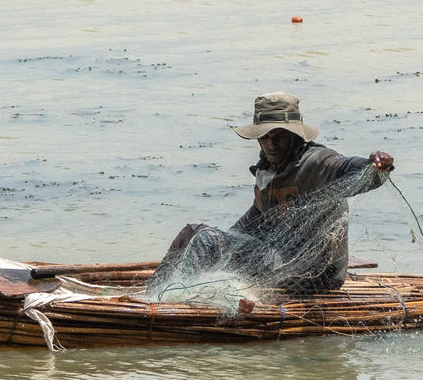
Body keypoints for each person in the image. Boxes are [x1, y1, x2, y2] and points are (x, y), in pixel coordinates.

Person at [146, 92, 394, 296]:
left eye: (279, 137)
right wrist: (223, 246)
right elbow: (252, 223)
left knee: (206, 242)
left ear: (294, 135)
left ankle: (175, 299)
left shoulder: (316, 162)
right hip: (277, 258)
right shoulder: (269, 171)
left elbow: (350, 168)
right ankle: (155, 294)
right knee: (192, 233)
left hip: (311, 272)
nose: (271, 145)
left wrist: (375, 166)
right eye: (265, 137)